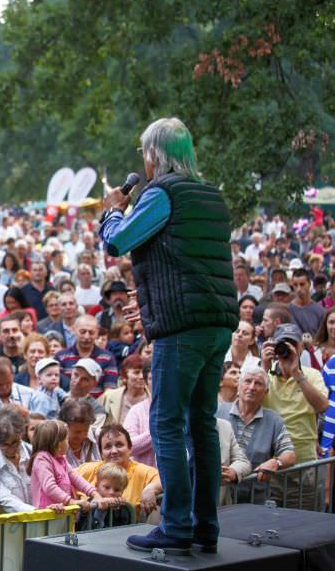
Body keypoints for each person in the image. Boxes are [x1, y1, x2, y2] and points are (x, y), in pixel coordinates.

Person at [100, 118, 238, 554]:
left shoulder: (162, 193)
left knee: (166, 423)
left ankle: (176, 526)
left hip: (183, 329)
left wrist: (111, 211)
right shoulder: (212, 195)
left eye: (145, 153)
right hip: (216, 322)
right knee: (202, 425)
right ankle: (205, 527)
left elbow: (118, 242)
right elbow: (184, 259)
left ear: (153, 155)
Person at [260, 323, 328, 508]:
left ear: (300, 348)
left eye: (292, 344)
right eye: (283, 344)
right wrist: (264, 368)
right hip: (269, 464)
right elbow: (248, 406)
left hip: (303, 466)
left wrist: (297, 374)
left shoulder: (312, 375)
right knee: (268, 527)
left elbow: (322, 406)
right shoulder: (264, 374)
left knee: (304, 524)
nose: (287, 349)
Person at [215, 366, 297, 504]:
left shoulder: (272, 420)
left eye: (258, 383)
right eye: (247, 381)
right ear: (239, 386)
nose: (252, 387)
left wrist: (276, 462)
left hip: (253, 499)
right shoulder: (218, 412)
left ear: (266, 391)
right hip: (218, 497)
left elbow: (290, 453)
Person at [75, 425, 162, 515]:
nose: (114, 451)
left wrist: (151, 489)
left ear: (130, 448)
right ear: (101, 453)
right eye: (108, 447)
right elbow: (64, 477)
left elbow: (164, 479)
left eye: (119, 445)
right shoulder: (87, 470)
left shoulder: (142, 471)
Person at [27, 419, 100, 511]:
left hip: (62, 514)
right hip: (47, 517)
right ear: (57, 443)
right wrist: (71, 501)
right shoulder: (42, 459)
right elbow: (50, 487)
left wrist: (94, 493)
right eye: (66, 438)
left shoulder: (62, 459)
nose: (68, 441)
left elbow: (76, 479)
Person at [76, 464, 132, 530]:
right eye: (107, 487)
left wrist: (118, 511)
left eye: (117, 490)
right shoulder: (89, 505)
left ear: (122, 491)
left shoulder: (124, 506)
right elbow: (85, 530)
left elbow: (126, 528)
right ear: (96, 485)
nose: (112, 492)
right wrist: (100, 512)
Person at [100, 355, 149, 426]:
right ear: (125, 375)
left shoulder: (153, 399)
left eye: (144, 373)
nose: (142, 377)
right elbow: (100, 425)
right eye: (136, 372)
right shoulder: (110, 396)